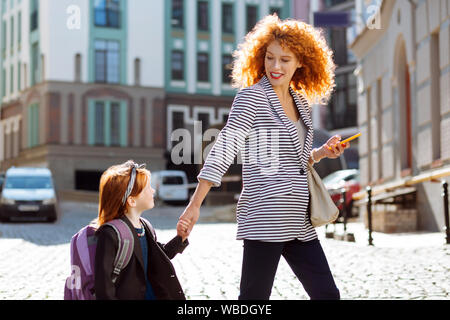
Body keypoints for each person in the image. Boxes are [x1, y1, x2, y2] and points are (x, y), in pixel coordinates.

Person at [178, 15, 349, 300]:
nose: (275, 66)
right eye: (270, 58)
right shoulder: (252, 98)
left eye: (284, 59)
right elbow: (224, 148)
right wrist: (195, 204)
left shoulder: (301, 103)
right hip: (264, 218)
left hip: (299, 222)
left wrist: (321, 152)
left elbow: (293, 158)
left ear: (301, 62)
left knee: (328, 295)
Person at [94, 160, 190, 300]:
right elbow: (103, 285)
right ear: (131, 200)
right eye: (148, 188)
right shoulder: (110, 234)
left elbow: (157, 255)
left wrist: (180, 238)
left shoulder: (145, 226)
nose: (153, 190)